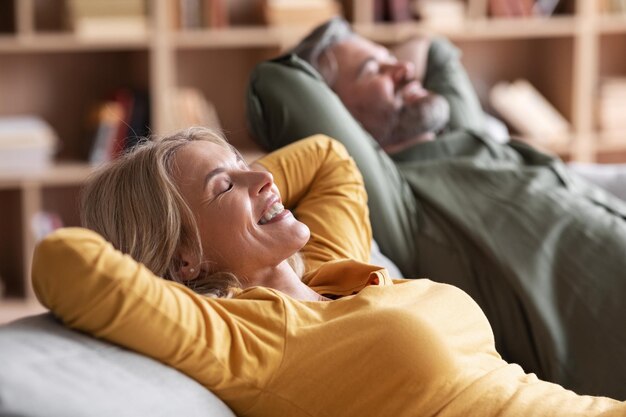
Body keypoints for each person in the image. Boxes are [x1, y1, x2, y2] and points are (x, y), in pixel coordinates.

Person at [32, 127, 626, 416]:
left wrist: (245, 194)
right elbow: (68, 264)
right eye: (224, 186)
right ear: (183, 257)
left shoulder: (327, 270)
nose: (262, 178)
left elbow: (328, 158)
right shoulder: (243, 334)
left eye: (247, 164)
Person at [246, 18, 626, 399]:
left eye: (392, 59)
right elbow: (275, 82)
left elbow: (436, 48)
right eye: (372, 71)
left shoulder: (463, 133)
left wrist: (391, 67)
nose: (405, 69)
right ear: (339, 116)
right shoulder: (403, 198)